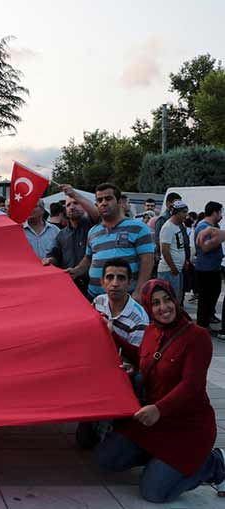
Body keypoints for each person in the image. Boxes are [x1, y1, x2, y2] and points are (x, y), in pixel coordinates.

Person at [96, 279, 225, 503]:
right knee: (107, 460)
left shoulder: (197, 336)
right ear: (148, 307)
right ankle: (162, 462)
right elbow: (142, 357)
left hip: (187, 427)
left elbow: (192, 385)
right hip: (153, 423)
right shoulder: (151, 331)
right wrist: (111, 334)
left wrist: (158, 409)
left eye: (166, 300)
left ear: (175, 300)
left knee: (153, 493)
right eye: (155, 303)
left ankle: (213, 464)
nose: (163, 308)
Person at [76, 258, 149, 449]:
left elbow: (136, 361)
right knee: (83, 441)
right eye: (110, 277)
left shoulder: (138, 318)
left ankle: (121, 421)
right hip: (98, 367)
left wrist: (112, 335)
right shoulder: (98, 302)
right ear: (102, 282)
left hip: (122, 372)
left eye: (121, 278)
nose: (114, 283)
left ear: (129, 282)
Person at [67, 183, 154, 302]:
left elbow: (147, 260)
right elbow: (88, 258)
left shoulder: (138, 228)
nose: (103, 203)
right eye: (99, 200)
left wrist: (139, 291)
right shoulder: (93, 231)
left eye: (108, 198)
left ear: (119, 202)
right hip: (95, 298)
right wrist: (76, 271)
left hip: (126, 298)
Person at [42, 185, 100, 296]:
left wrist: (73, 194)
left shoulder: (93, 225)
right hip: (71, 288)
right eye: (68, 205)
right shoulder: (61, 235)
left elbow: (96, 213)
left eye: (76, 203)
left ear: (84, 206)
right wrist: (50, 260)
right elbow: (54, 255)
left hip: (93, 287)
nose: (72, 207)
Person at [193, 201, 224, 330]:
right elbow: (204, 247)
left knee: (211, 298)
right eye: (220, 212)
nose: (221, 215)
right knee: (205, 300)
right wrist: (219, 239)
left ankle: (206, 321)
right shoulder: (203, 227)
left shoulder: (211, 226)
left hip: (213, 268)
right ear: (215, 212)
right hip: (206, 270)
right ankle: (202, 326)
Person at [157, 200, 189, 302]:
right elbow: (165, 250)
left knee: (176, 300)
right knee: (170, 300)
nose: (186, 215)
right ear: (177, 213)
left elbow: (178, 247)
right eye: (184, 212)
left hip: (176, 270)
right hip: (169, 271)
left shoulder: (177, 226)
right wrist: (173, 267)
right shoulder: (168, 227)